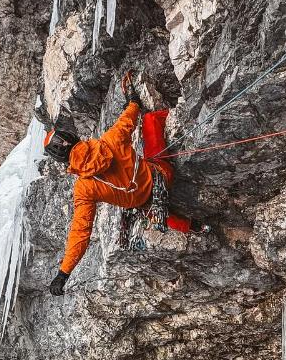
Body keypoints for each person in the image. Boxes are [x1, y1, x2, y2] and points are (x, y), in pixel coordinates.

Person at [44, 73, 207, 296]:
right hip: (161, 175)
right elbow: (131, 115)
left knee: (155, 213)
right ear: (73, 137)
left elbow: (80, 231)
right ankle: (189, 115)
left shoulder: (84, 188)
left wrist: (63, 273)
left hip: (144, 201)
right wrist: (132, 98)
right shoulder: (110, 140)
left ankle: (197, 226)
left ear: (61, 160)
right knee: (151, 121)